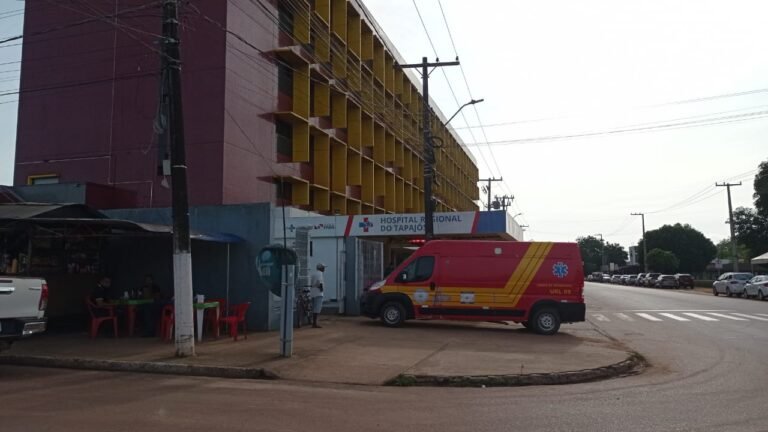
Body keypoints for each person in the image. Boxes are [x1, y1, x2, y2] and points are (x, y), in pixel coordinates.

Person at [309, 263, 326, 328]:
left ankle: (313, 322)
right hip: (318, 293)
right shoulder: (320, 274)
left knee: (313, 308)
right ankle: (315, 323)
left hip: (312, 292)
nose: (324, 269)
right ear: (321, 268)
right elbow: (319, 282)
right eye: (323, 267)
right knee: (317, 308)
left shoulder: (314, 273)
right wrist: (321, 289)